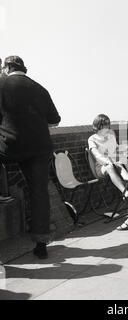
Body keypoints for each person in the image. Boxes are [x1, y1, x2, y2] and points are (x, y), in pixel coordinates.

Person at [0, 56, 61, 259]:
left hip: (11, 144)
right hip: (40, 147)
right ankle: (41, 243)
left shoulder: (2, 83)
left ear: (8, 67)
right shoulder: (40, 88)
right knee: (39, 193)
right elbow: (54, 121)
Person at [88, 114, 128, 198]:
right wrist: (108, 161)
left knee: (120, 164)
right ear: (98, 126)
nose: (108, 126)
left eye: (108, 124)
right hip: (101, 167)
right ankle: (125, 192)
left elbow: (117, 149)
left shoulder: (111, 137)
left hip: (115, 163)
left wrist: (125, 148)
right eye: (105, 124)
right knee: (110, 167)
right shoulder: (92, 139)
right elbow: (96, 154)